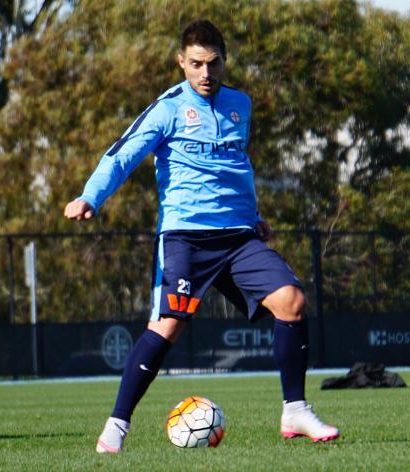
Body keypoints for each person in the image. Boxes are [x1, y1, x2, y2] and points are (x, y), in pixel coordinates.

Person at [64, 20, 339, 453]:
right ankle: (116, 427)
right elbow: (121, 156)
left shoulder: (240, 105)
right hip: (185, 238)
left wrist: (254, 216)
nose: (205, 73)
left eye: (213, 63)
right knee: (167, 326)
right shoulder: (167, 108)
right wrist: (90, 197)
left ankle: (295, 410)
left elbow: (236, 167)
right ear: (181, 62)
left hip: (238, 238)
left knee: (292, 301)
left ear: (224, 61)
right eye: (196, 64)